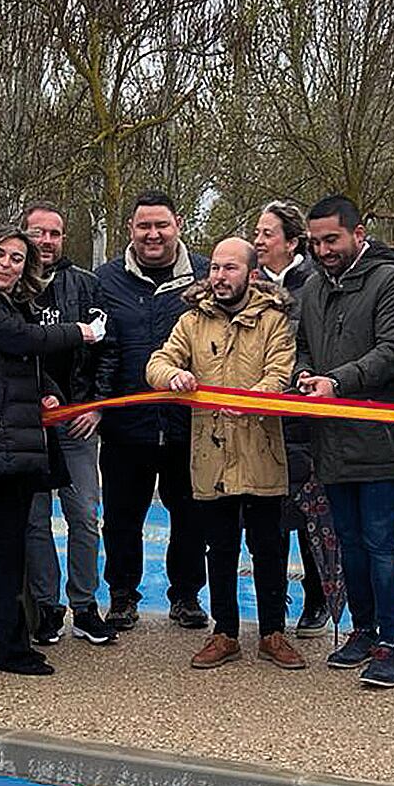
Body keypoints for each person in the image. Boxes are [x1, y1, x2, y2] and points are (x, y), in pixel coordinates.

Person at [0, 227, 105, 676]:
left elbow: (23, 361)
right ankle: (10, 648)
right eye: (0, 254)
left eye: (17, 259)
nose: (7, 264)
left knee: (7, 541)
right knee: (9, 542)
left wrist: (50, 392)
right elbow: (21, 341)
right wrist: (81, 332)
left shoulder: (10, 304)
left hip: (14, 432)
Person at [146, 237, 304, 670]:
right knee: (219, 548)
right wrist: (173, 375)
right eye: (214, 267)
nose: (219, 276)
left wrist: (256, 397)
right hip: (210, 456)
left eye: (229, 268)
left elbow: (280, 372)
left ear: (251, 274)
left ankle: (273, 632)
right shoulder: (192, 321)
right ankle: (225, 632)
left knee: (268, 547)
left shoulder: (274, 320)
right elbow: (156, 362)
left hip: (261, 452)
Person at [294, 195, 394, 688]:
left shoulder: (391, 282)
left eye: (332, 239)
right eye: (316, 241)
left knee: (382, 542)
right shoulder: (311, 287)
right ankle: (362, 631)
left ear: (358, 234)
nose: (324, 249)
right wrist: (305, 372)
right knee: (347, 543)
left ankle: (391, 643)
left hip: (383, 438)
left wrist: (339, 382)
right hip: (331, 441)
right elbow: (303, 343)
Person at [93, 193, 210, 631]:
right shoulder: (104, 280)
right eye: (144, 226)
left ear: (177, 224)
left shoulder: (203, 274)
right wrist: (99, 405)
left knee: (190, 518)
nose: (153, 234)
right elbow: (97, 351)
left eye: (161, 225)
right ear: (130, 229)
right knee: (122, 519)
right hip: (127, 428)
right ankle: (122, 595)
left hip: (187, 425)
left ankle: (186, 596)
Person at [20, 202, 117, 648]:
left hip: (77, 423)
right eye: (38, 233)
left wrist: (95, 406)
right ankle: (46, 607)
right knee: (35, 521)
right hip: (28, 424)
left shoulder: (86, 286)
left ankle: (84, 605)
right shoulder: (7, 287)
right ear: (23, 235)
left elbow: (107, 350)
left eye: (54, 233)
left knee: (84, 516)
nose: (46, 241)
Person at [251, 198, 328, 633]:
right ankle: (271, 597)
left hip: (306, 416)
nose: (259, 241)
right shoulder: (250, 284)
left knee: (311, 514)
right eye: (257, 234)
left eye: (268, 233)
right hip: (264, 421)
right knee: (267, 515)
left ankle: (316, 598)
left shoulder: (314, 284)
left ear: (292, 241)